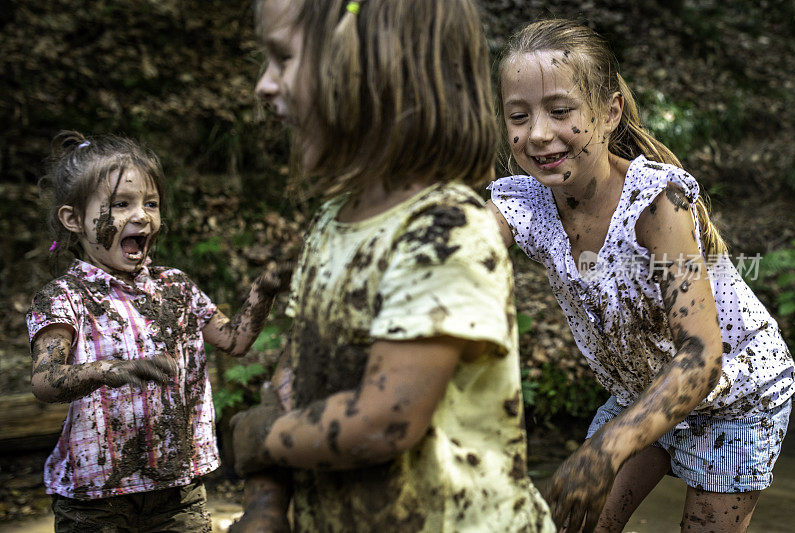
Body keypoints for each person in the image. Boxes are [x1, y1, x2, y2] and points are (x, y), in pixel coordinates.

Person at [228, 0, 556, 531]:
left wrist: (258, 440)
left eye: (283, 59)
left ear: (368, 67)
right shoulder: (332, 222)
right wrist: (265, 505)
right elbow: (295, 376)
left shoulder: (445, 229)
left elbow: (386, 420)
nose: (265, 85)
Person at [487, 18, 795, 533]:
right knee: (569, 524)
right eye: (519, 116)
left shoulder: (656, 203)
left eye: (560, 112)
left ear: (608, 113)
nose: (538, 134)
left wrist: (609, 445)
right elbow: (456, 254)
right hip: (643, 389)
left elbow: (701, 358)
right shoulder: (527, 202)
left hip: (739, 396)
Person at [26, 130, 284, 532]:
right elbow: (45, 381)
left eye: (151, 203)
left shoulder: (176, 288)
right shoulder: (64, 297)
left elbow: (234, 340)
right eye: (121, 204)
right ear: (73, 219)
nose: (142, 216)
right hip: (95, 498)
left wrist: (264, 290)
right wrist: (113, 370)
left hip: (178, 489)